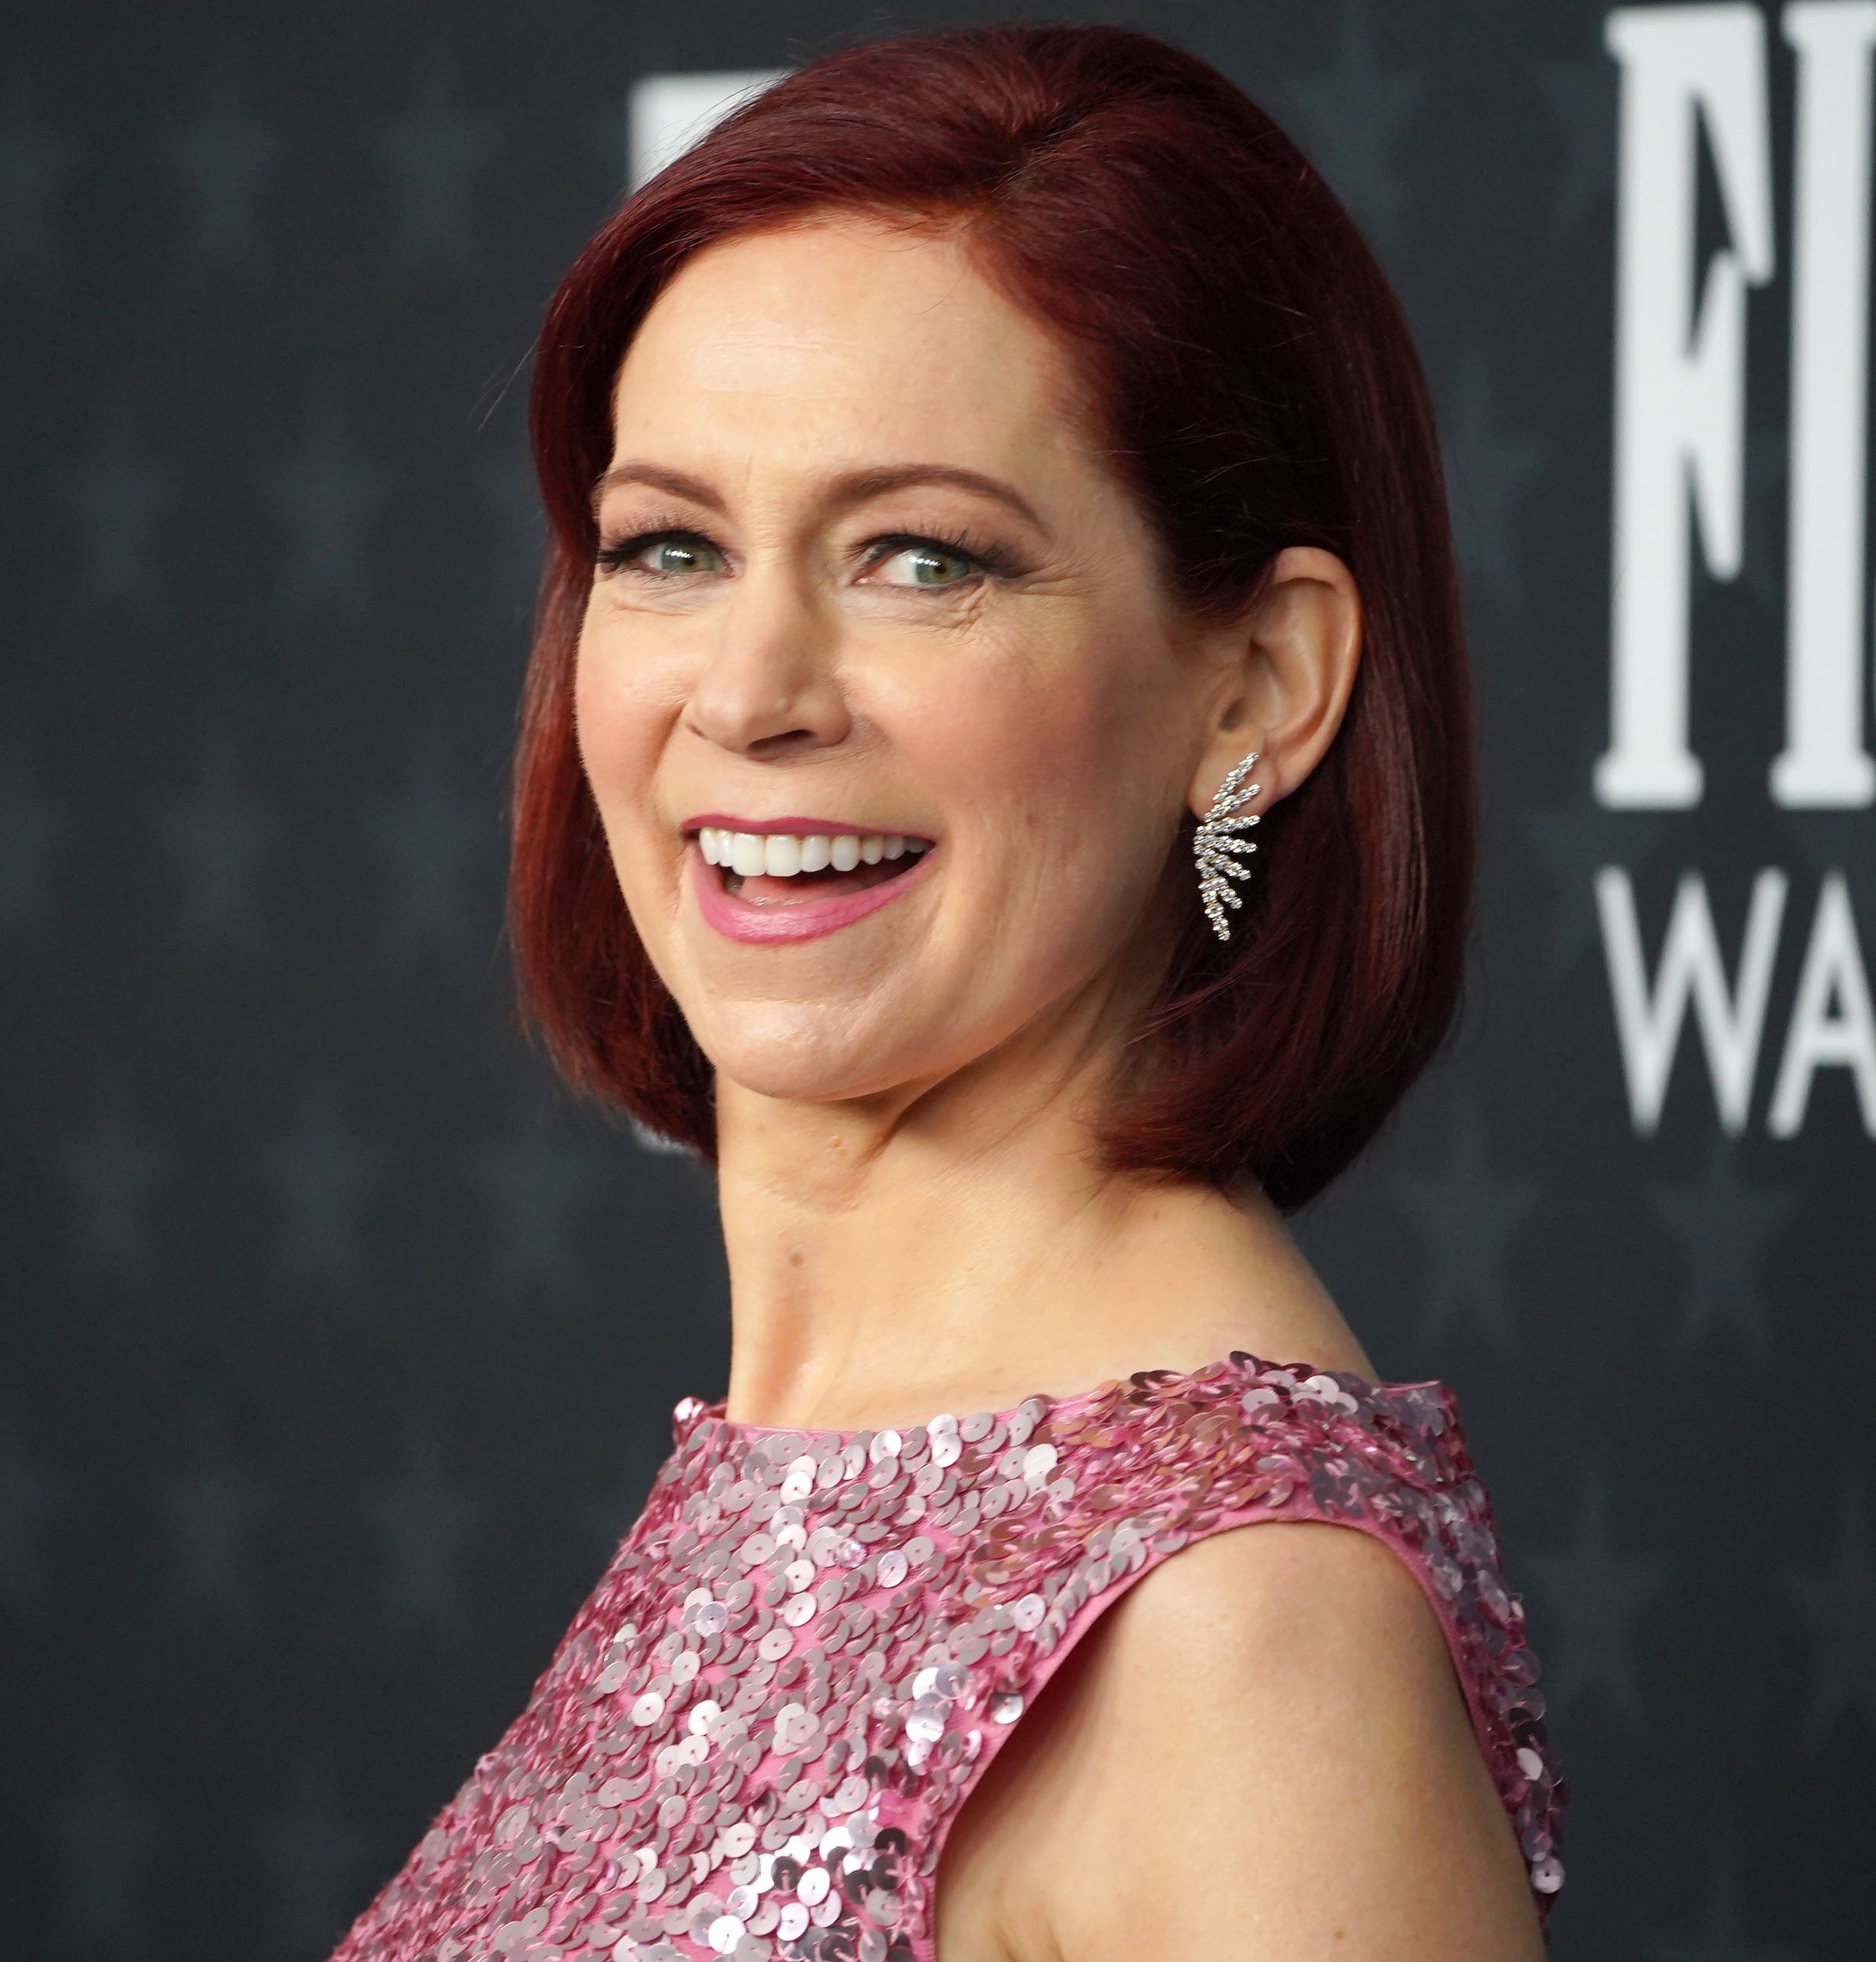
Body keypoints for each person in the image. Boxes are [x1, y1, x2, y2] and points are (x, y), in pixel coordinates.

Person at [334, 25, 1558, 1962]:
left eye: (923, 558)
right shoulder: (795, 1451)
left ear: (1258, 684)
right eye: (668, 545)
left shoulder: (1241, 1629)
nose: (751, 692)